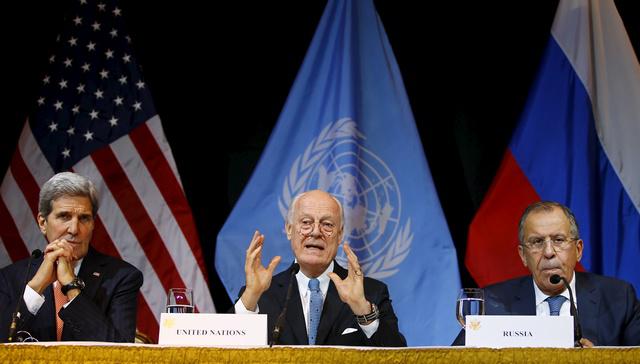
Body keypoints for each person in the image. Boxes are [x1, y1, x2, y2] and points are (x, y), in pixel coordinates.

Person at [233, 190, 406, 346]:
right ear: (289, 229)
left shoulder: (370, 293)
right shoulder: (260, 295)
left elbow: (399, 357)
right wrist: (250, 296)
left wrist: (362, 310)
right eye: (306, 222)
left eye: (328, 225)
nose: (316, 232)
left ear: (340, 235)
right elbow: (222, 352)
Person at [453, 201, 640, 346]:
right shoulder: (492, 304)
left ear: (578, 249)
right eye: (537, 242)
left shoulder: (619, 298)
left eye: (558, 240)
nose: (549, 252)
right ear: (523, 255)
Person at [0, 172, 143, 342]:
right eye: (64, 216)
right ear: (42, 223)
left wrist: (71, 286)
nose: (74, 229)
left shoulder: (122, 277)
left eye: (84, 218)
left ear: (93, 224)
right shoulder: (9, 278)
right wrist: (35, 288)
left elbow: (121, 352)